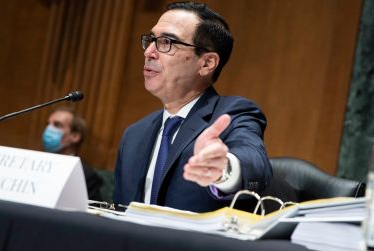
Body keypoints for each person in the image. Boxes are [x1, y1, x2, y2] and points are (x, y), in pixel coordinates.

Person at [113, 1, 272, 213]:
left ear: (206, 63)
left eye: (167, 42)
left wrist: (223, 169)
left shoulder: (233, 114)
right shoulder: (134, 135)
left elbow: (256, 165)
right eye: (151, 40)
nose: (149, 52)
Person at [42, 107, 103, 201]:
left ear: (75, 136)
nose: (49, 129)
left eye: (57, 125)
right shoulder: (36, 164)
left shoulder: (86, 175)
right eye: (48, 124)